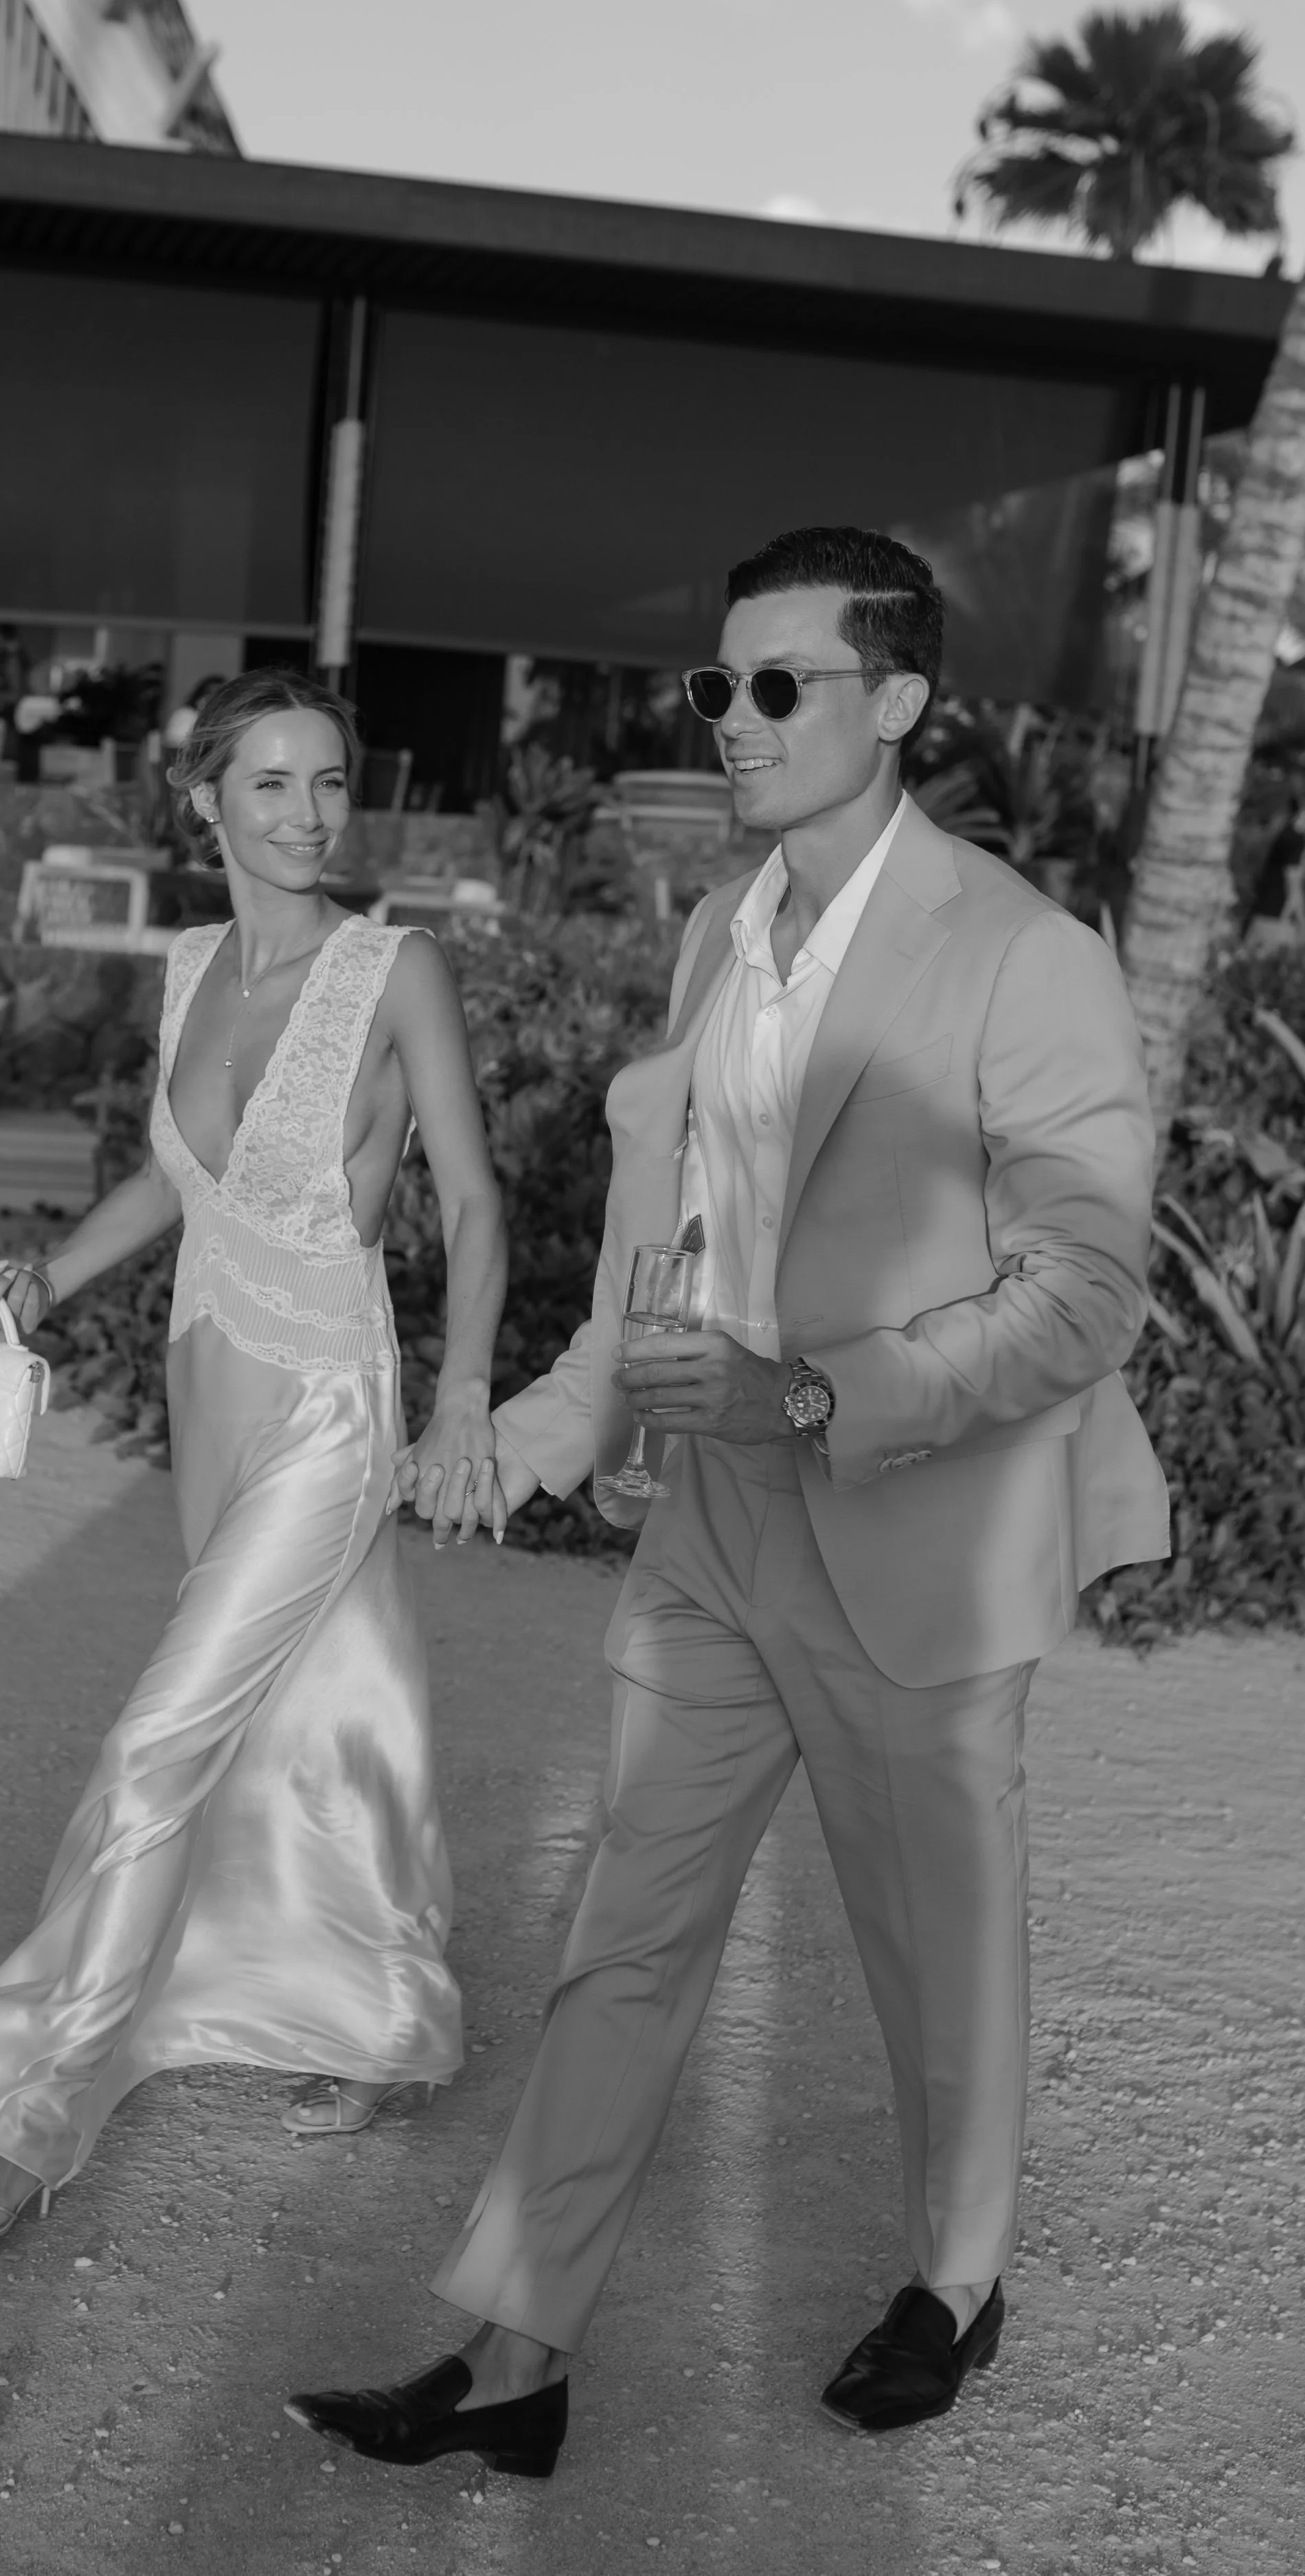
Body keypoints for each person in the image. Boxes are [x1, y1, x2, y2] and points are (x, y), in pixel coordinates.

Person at [287, 526, 1169, 2473]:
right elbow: (667, 1263)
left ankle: (955, 2275)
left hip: (917, 1526)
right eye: (718, 684)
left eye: (781, 684)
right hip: (712, 1520)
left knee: (932, 1954)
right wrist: (523, 1432)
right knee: (624, 1929)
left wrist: (816, 1389)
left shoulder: (1022, 953)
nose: (735, 720)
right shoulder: (720, 934)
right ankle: (515, 2351)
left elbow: (1085, 1288)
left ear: (900, 700)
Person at [0, 668, 508, 2249]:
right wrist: (43, 1282)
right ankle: (379, 2015)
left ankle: (31, 2106)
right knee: (320, 1701)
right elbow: (177, 1182)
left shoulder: (396, 970)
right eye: (273, 782)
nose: (309, 812)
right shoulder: (189, 964)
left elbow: (471, 1199)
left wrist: (463, 1398)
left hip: (327, 1408)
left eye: (330, 780)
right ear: (205, 802)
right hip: (207, 1393)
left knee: (159, 1740)